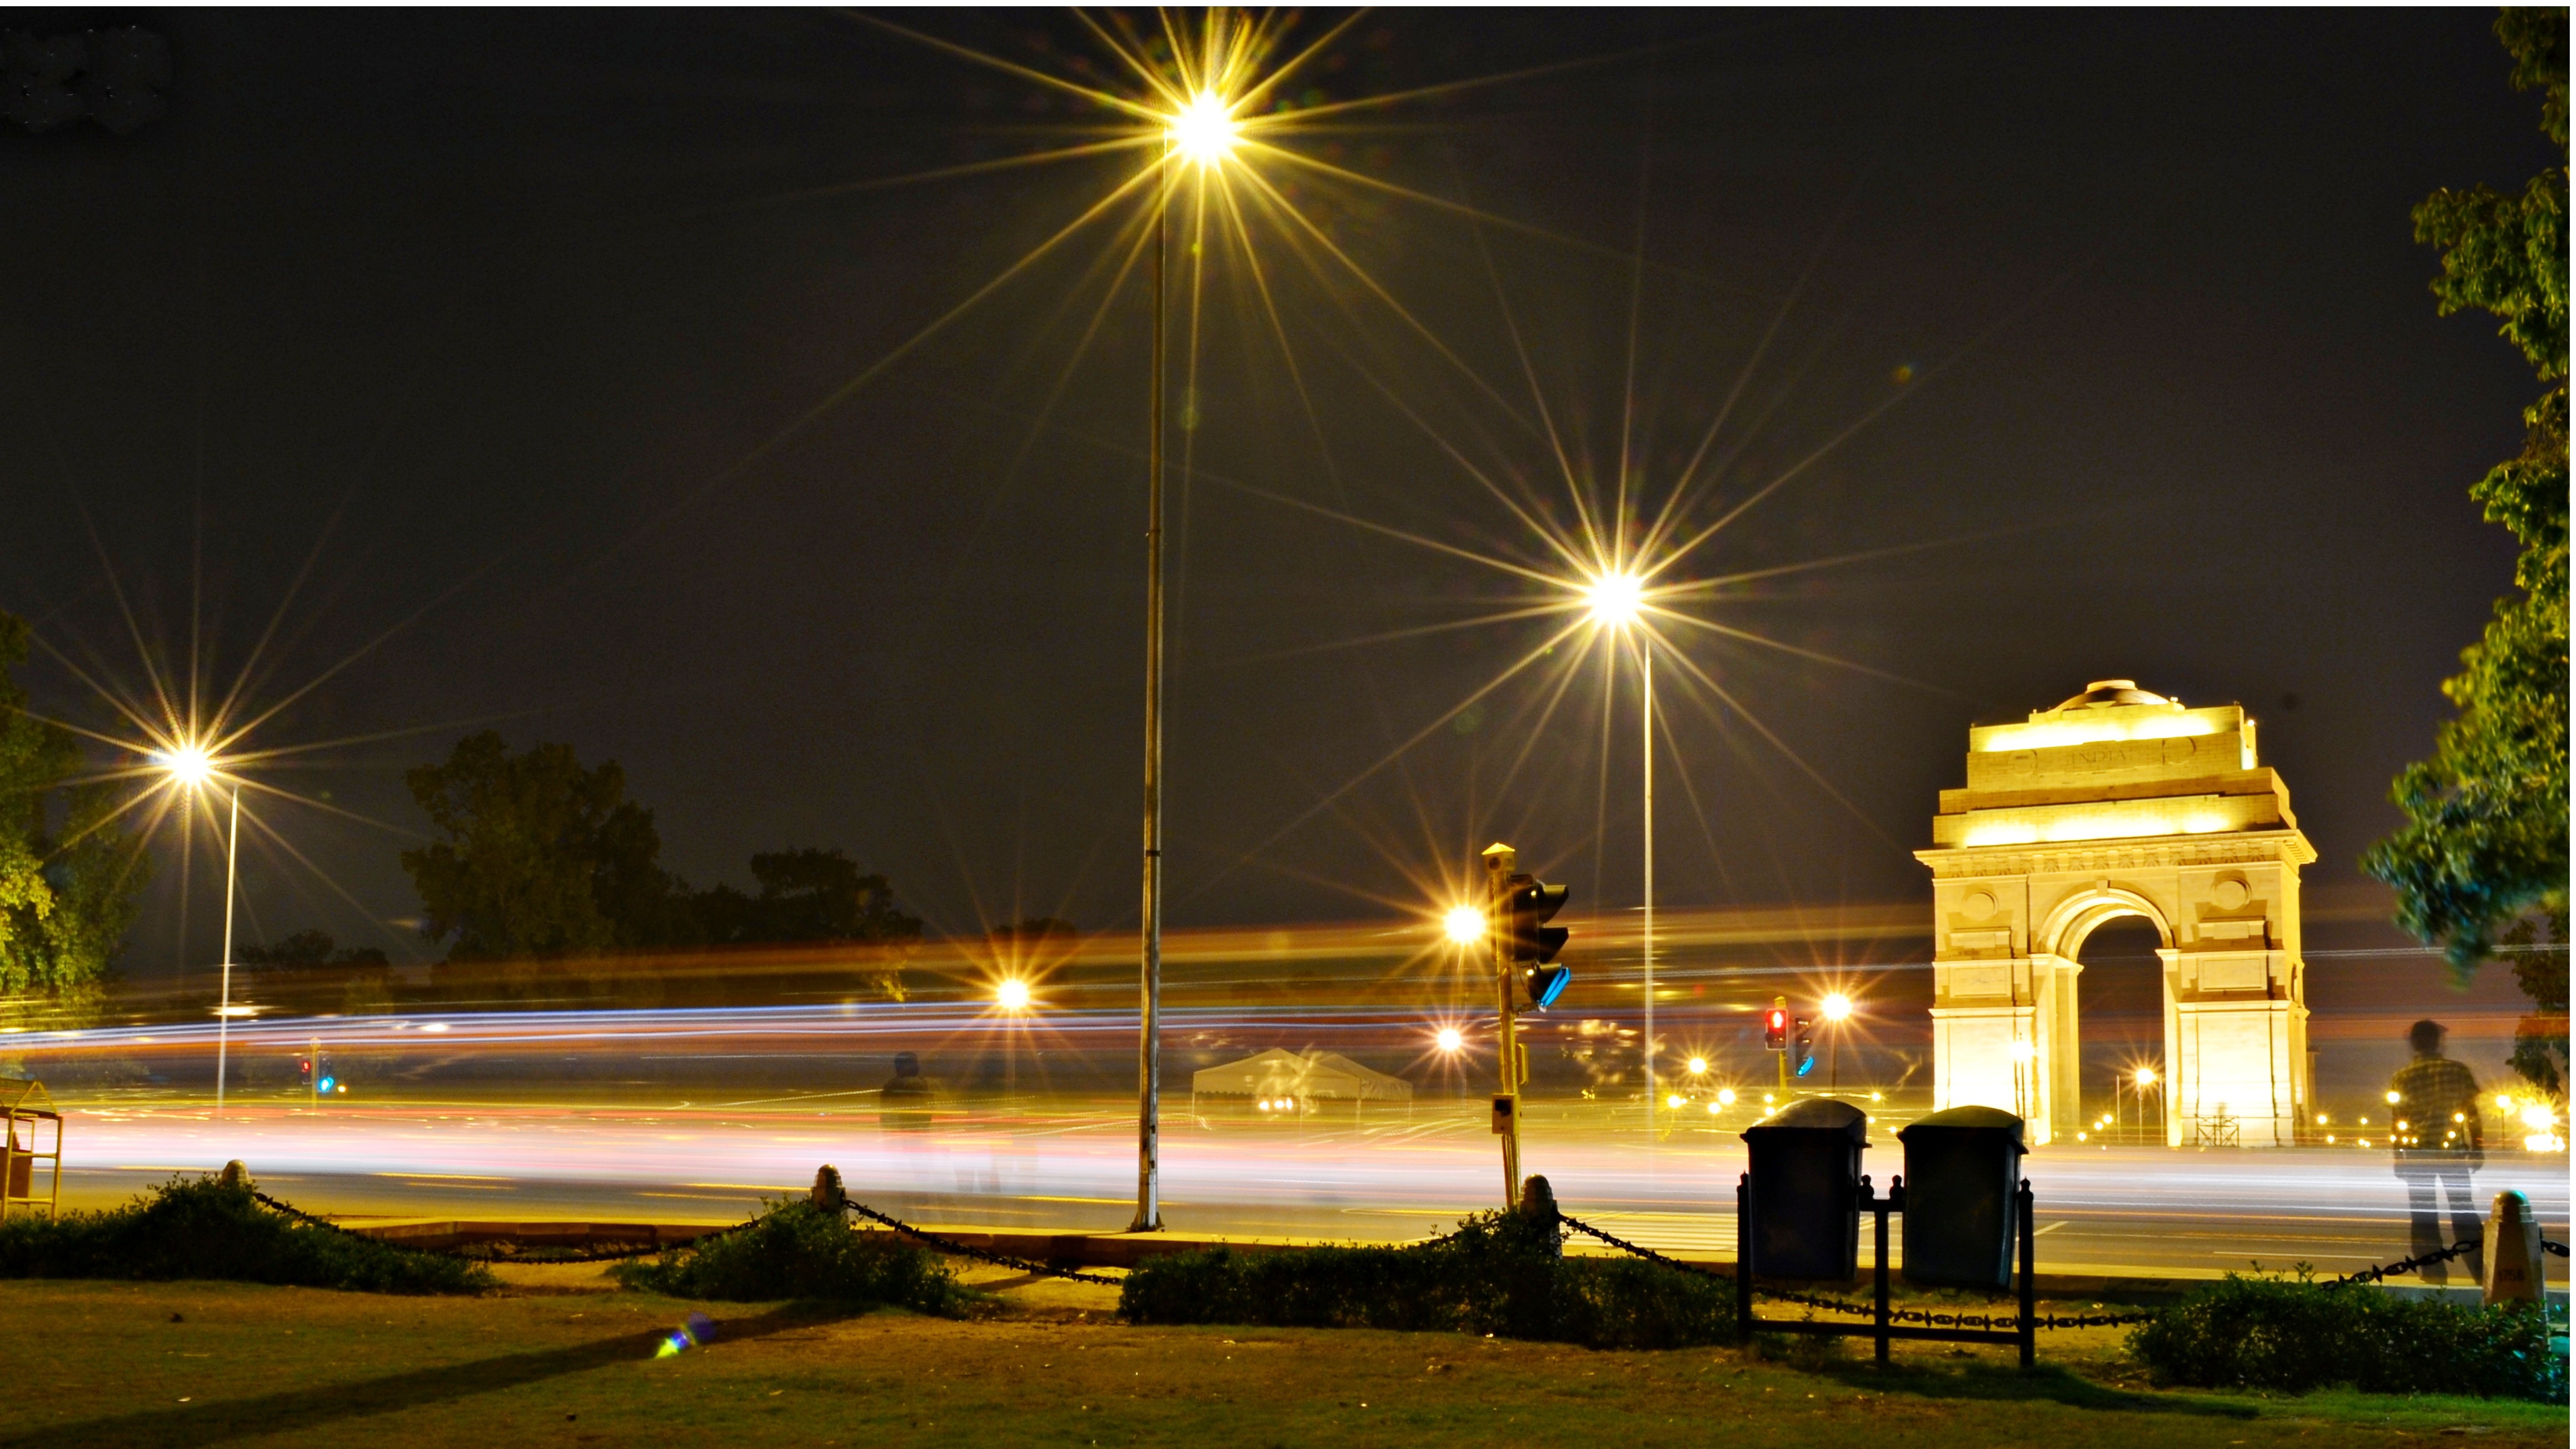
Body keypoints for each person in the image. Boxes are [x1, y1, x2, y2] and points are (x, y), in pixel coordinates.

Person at [2388, 1019, 2484, 1283]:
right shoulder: (2458, 1071)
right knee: (2464, 1215)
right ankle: (2481, 1272)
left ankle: (2434, 1278)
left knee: (2424, 1220)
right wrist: (2477, 1147)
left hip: (2418, 1157)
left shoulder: (2402, 1077)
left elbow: (2399, 1121)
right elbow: (2472, 1113)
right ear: (2438, 1041)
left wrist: (2399, 1156)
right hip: (2452, 1155)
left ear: (2414, 1043)